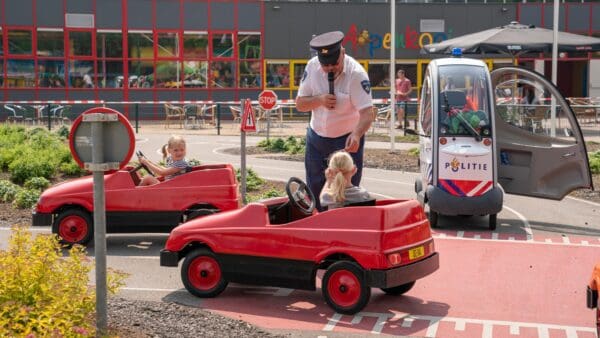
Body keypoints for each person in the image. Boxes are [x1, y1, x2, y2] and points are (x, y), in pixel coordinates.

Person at [295, 31, 373, 211]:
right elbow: (300, 104)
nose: (330, 68)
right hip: (317, 139)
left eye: (334, 64)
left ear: (343, 53)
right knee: (314, 192)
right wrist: (319, 100)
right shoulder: (312, 67)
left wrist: (357, 133)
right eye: (325, 65)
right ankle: (318, 230)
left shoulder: (356, 74)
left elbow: (367, 113)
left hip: (346, 141)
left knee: (347, 193)